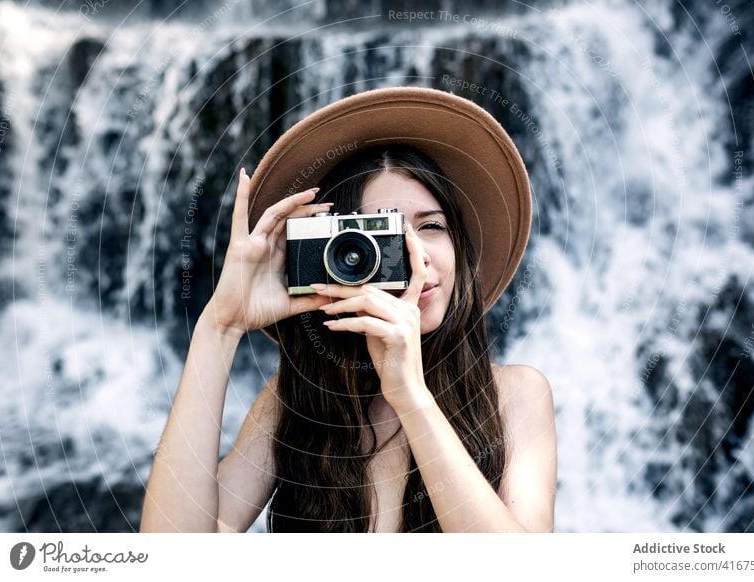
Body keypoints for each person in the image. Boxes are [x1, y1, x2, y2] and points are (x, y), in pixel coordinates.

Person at [140, 87, 557, 533]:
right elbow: (173, 553)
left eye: (431, 226)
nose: (418, 257)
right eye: (385, 239)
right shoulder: (294, 401)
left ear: (461, 246)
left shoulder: (515, 395)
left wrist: (410, 393)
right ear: (340, 258)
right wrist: (220, 326)